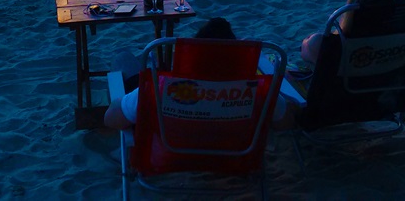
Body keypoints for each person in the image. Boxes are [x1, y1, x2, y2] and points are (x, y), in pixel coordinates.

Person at [104, 17, 294, 130]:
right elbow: (287, 121)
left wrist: (119, 99)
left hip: (173, 153)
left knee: (122, 59)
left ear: (192, 56)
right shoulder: (257, 92)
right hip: (236, 155)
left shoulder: (163, 89)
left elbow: (111, 119)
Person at [299, 0, 400, 65]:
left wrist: (314, 39)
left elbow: (304, 52)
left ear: (351, 1)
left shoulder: (328, 45)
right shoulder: (404, 42)